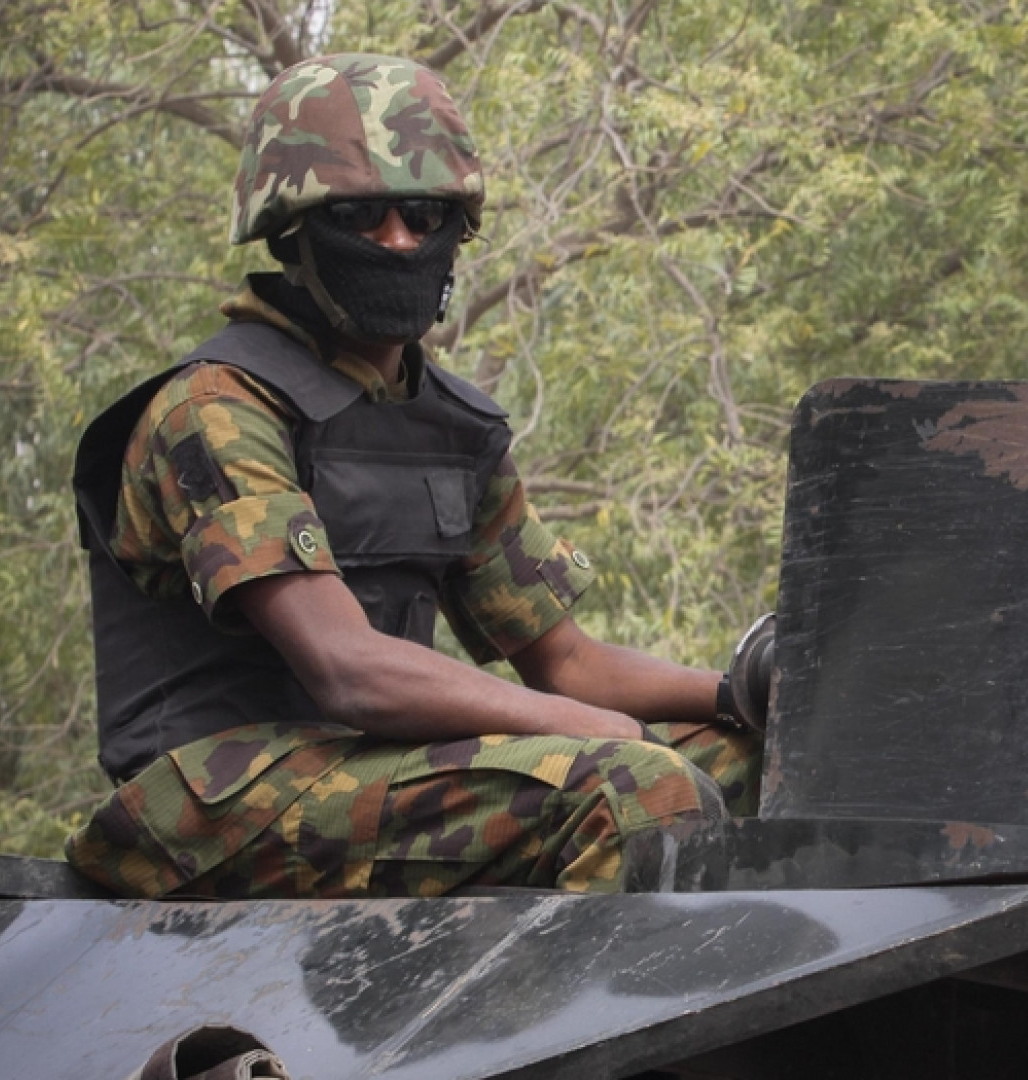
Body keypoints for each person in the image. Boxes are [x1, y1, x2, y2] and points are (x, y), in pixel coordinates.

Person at [65, 53, 761, 899]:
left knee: (753, 755)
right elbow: (346, 668)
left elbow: (567, 663)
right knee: (635, 786)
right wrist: (596, 734)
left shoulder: (452, 425)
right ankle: (566, 1033)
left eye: (423, 212)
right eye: (359, 214)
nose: (398, 240)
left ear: (456, 228)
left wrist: (748, 687)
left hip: (370, 775)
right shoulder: (216, 406)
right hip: (213, 803)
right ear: (291, 232)